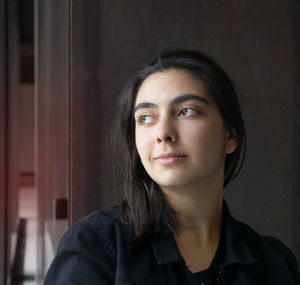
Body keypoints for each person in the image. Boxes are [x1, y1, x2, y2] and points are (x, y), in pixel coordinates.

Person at [44, 48, 299, 284]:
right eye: (146, 118)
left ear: (230, 135)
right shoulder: (97, 244)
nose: (163, 133)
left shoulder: (274, 263)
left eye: (186, 111)